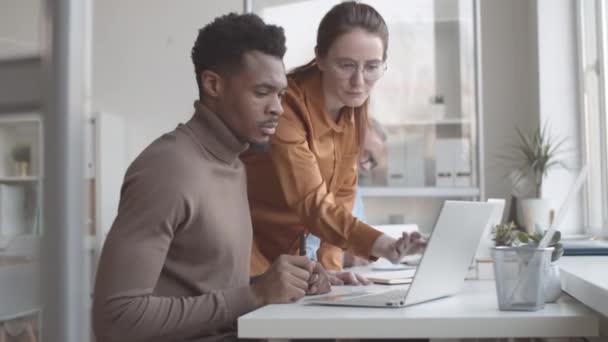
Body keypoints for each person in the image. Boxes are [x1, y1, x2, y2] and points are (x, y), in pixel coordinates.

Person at [93, 13, 330, 342]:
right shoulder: (167, 169)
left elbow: (210, 293)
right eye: (262, 92)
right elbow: (116, 320)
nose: (277, 108)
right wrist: (256, 294)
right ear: (213, 85)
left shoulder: (235, 164)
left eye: (281, 94)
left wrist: (286, 283)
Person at [242, 1, 425, 283]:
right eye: (346, 65)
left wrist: (330, 274)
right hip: (255, 258)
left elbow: (341, 199)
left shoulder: (352, 105)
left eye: (372, 67)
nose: (359, 81)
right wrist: (384, 245)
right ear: (321, 58)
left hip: (298, 264)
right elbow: (312, 203)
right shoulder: (286, 106)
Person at [305, 117, 387, 271]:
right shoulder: (312, 181)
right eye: (365, 154)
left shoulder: (354, 188)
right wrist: (344, 259)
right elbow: (298, 254)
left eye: (372, 162)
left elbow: (358, 242)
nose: (365, 167)